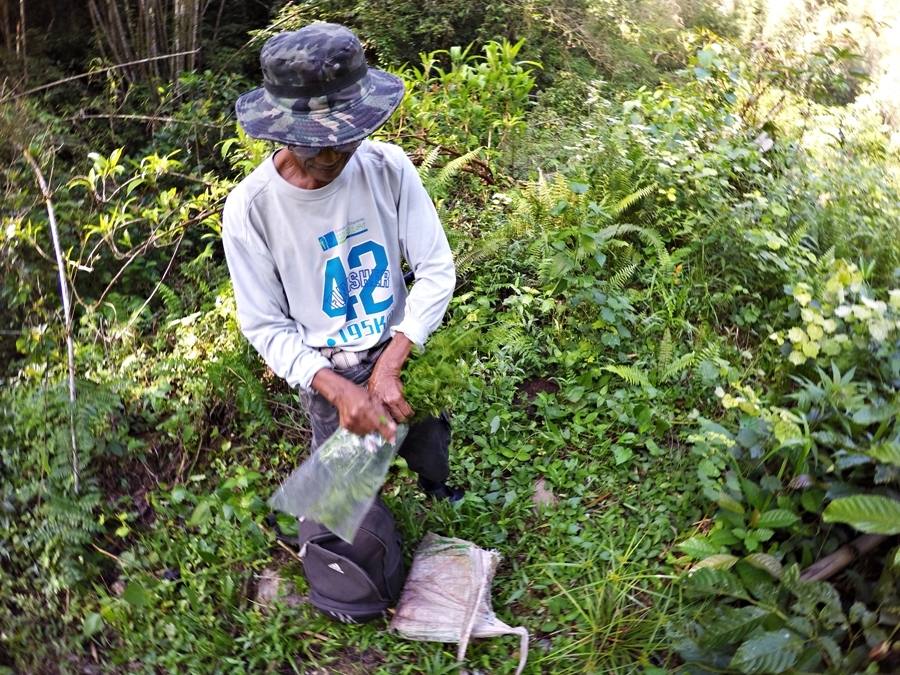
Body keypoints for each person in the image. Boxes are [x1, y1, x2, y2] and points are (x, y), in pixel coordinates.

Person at [222, 22, 462, 500]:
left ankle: (435, 485)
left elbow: (436, 268)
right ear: (280, 130)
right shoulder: (252, 209)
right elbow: (265, 324)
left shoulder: (387, 168)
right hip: (327, 364)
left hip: (399, 343)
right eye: (315, 140)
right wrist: (335, 388)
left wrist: (395, 357)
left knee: (428, 439)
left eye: (346, 136)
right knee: (345, 501)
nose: (333, 153)